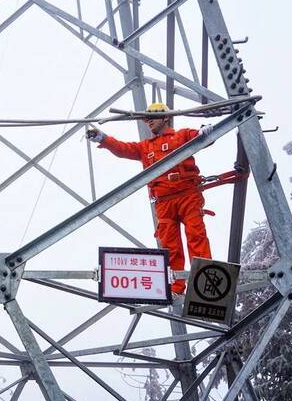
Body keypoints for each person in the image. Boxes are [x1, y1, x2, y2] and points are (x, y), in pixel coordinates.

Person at [87, 102, 214, 295]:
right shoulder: (145, 147)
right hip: (163, 203)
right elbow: (123, 148)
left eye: (152, 117)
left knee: (196, 237)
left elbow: (201, 137)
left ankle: (204, 284)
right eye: (147, 118)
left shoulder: (181, 136)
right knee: (170, 247)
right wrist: (103, 139)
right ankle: (176, 288)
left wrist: (206, 131)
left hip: (187, 196)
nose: (148, 122)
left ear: (165, 117)